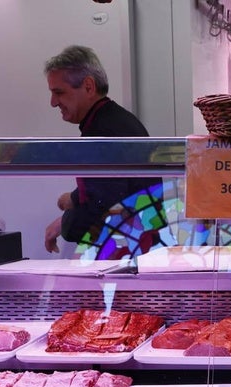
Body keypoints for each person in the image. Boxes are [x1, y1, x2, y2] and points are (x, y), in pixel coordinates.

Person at [43, 44, 161, 254]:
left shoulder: (102, 132)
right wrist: (73, 201)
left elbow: (100, 211)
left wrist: (67, 220)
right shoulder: (115, 120)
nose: (53, 103)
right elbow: (104, 190)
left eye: (59, 92)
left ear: (89, 87)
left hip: (124, 256)